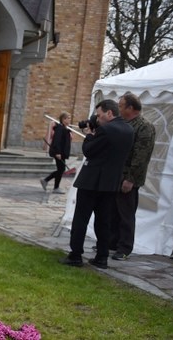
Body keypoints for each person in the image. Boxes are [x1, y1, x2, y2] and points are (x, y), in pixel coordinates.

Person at [61, 99, 134, 269]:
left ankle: (76, 255)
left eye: (100, 116)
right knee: (104, 222)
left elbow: (89, 151)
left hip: (92, 181)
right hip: (111, 183)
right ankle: (102, 257)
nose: (98, 119)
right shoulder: (129, 129)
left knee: (81, 219)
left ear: (110, 113)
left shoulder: (106, 130)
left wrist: (88, 134)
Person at [110, 93, 156, 261]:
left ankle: (124, 248)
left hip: (129, 178)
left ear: (130, 108)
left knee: (125, 214)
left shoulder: (144, 127)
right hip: (116, 174)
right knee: (113, 211)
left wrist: (130, 178)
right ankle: (112, 242)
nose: (118, 108)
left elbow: (141, 156)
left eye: (121, 106)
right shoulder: (123, 124)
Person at [40, 112, 73, 194]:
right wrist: (58, 153)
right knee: (61, 169)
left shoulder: (64, 128)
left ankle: (48, 182)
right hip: (59, 152)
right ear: (63, 119)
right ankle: (50, 184)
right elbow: (57, 141)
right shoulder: (60, 128)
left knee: (61, 169)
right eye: (68, 118)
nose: (69, 120)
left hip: (62, 152)